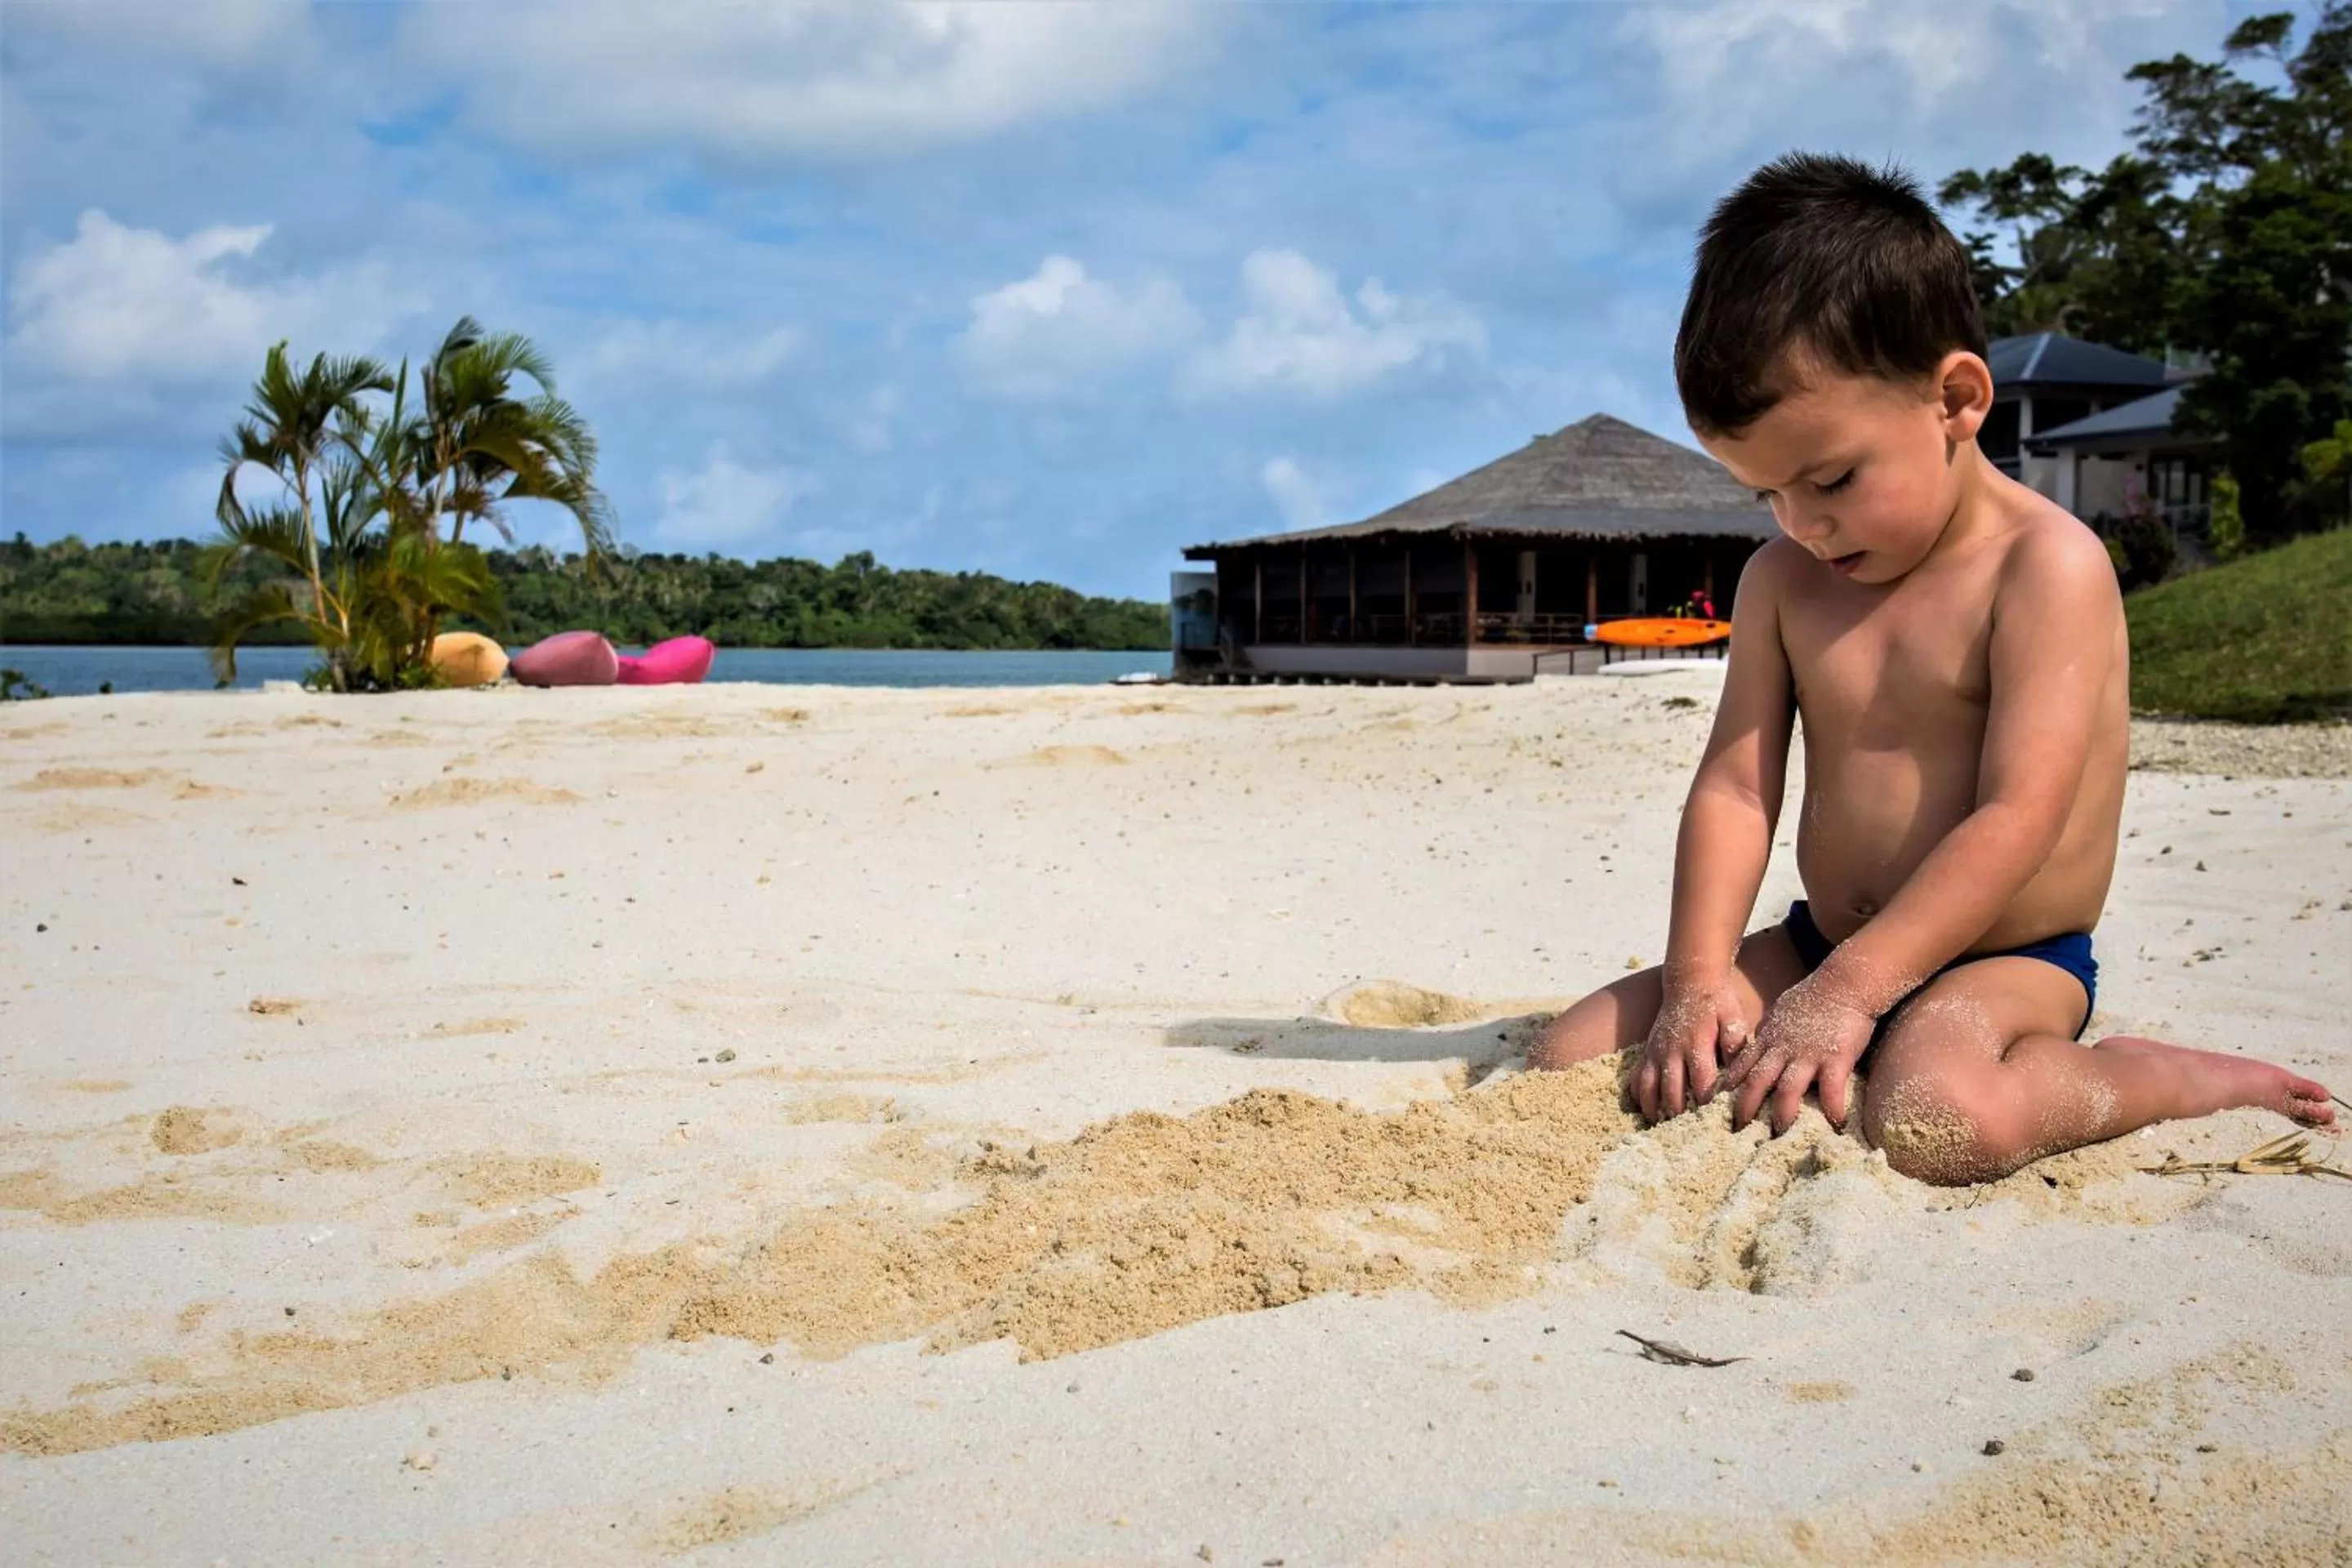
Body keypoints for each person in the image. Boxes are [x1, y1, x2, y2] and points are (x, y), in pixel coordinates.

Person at [1529, 154, 2336, 1184]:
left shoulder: (2045, 568)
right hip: (1822, 943)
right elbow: (1736, 788)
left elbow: (2017, 818)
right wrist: (1699, 977)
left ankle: (2152, 1076)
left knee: (1937, 1119)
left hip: (2006, 962)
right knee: (1573, 1055)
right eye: (1764, 496)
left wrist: (1854, 994)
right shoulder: (1784, 580)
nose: (1802, 524)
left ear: (1956, 399)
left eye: (1830, 480)